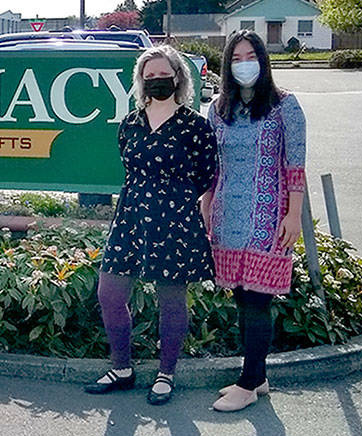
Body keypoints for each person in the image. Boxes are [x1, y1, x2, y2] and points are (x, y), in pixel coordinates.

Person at [87, 45, 217, 405]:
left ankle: (165, 374)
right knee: (110, 294)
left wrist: (174, 197)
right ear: (141, 82)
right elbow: (127, 164)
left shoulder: (196, 126)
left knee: (170, 299)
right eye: (150, 77)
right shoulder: (130, 123)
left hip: (174, 221)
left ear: (178, 78)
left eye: (164, 76)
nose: (158, 82)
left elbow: (207, 174)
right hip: (130, 217)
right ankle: (122, 369)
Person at [201, 30, 307, 412]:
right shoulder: (217, 108)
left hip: (268, 215)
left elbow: (295, 164)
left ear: (263, 61)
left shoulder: (284, 106)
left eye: (251, 55)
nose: (244, 63)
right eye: (237, 57)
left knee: (258, 299)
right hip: (228, 215)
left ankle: (248, 383)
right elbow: (212, 165)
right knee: (241, 295)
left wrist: (294, 214)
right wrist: (207, 201)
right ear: (227, 65)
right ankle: (257, 376)